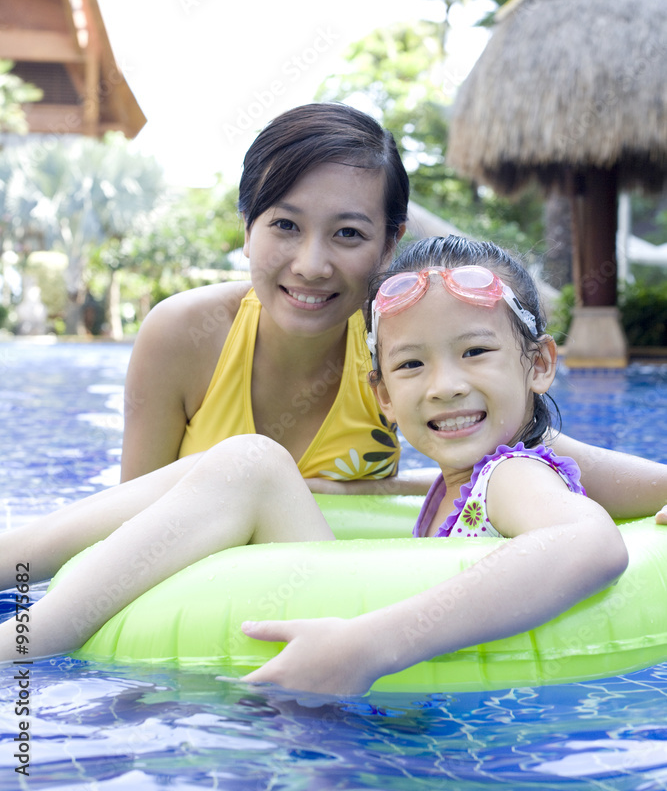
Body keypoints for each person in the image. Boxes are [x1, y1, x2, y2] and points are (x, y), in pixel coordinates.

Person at [2, 235, 667, 695]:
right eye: (411, 364)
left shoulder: (515, 477)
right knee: (248, 465)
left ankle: (30, 635)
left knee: (251, 461)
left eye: (473, 352)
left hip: (390, 704)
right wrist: (380, 485)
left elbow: (589, 543)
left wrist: (372, 644)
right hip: (394, 715)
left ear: (539, 364)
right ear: (382, 395)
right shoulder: (467, 477)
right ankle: (23, 562)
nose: (443, 385)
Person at [118, 101, 665, 500]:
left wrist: (368, 493)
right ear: (246, 229)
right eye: (284, 224)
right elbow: (123, 515)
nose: (311, 264)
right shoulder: (183, 335)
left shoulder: (403, 337)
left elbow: (527, 451)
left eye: (349, 234)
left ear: (390, 243)